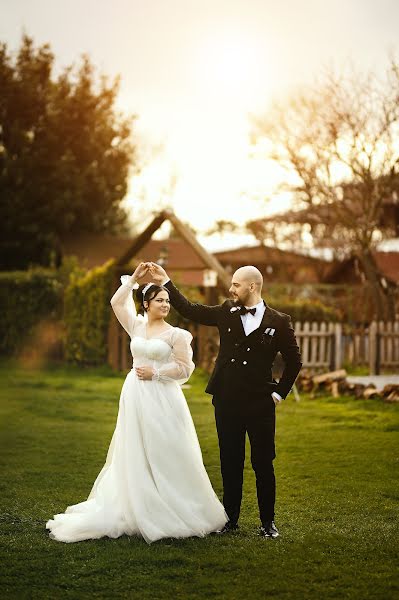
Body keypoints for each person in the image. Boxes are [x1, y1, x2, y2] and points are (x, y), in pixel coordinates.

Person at [46, 262, 227, 544]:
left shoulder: (177, 335)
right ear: (146, 304)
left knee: (164, 447)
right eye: (159, 300)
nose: (165, 305)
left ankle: (172, 501)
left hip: (163, 397)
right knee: (134, 446)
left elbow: (185, 368)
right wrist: (132, 280)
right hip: (134, 394)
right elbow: (116, 302)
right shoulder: (136, 325)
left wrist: (157, 373)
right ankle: (136, 499)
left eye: (167, 301)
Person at [148, 263, 302, 538]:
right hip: (227, 399)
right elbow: (190, 309)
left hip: (260, 404)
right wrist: (167, 281)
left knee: (263, 463)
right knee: (230, 462)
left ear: (251, 286)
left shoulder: (279, 321)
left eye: (236, 285)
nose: (231, 289)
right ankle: (230, 521)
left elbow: (294, 361)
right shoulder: (225, 312)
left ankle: (268, 524)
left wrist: (279, 393)